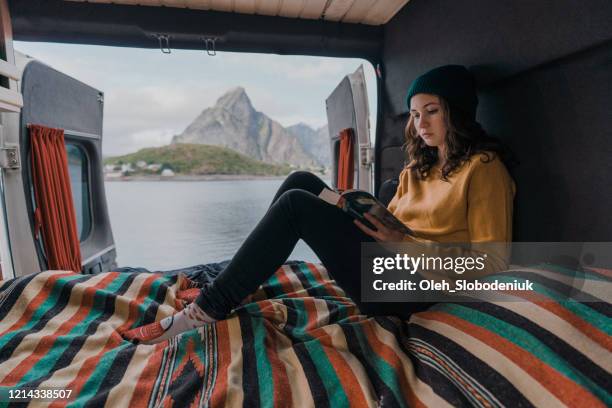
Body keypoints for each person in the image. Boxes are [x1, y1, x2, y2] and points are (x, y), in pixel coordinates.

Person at [121, 64, 515, 344]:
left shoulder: (484, 170)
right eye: (415, 114)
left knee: (296, 205)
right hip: (390, 261)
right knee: (302, 182)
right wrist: (356, 209)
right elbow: (401, 222)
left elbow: (493, 263)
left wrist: (401, 246)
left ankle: (204, 311)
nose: (422, 124)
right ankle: (235, 280)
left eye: (432, 111)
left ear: (457, 112)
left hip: (417, 288)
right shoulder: (420, 167)